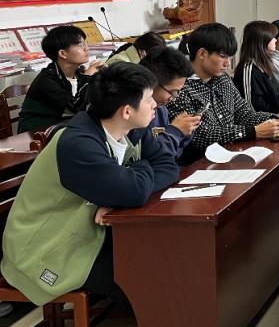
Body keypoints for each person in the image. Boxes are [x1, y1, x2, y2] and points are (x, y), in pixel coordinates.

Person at [1, 64, 178, 308]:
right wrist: (132, 180)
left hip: (89, 235)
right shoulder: (77, 143)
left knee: (170, 258)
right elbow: (135, 191)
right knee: (150, 278)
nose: (155, 104)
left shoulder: (134, 130)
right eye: (149, 99)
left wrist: (122, 193)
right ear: (127, 111)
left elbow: (168, 166)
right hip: (49, 248)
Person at [168, 23, 279, 164]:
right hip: (199, 163)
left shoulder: (223, 79)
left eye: (229, 58)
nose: (227, 63)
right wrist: (252, 132)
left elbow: (244, 113)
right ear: (202, 54)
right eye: (223, 57)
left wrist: (275, 121)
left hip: (231, 154)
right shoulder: (180, 87)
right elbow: (199, 136)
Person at [18, 25, 104, 133]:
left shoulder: (78, 74)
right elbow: (77, 108)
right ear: (63, 54)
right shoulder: (47, 81)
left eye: (85, 43)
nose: (86, 48)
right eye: (80, 45)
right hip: (37, 133)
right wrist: (88, 77)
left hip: (65, 127)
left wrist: (103, 76)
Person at [136, 46, 202, 161]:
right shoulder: (135, 113)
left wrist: (184, 133)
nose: (174, 98)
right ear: (152, 83)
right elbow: (149, 157)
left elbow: (172, 156)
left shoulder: (161, 109)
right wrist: (176, 131)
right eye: (172, 92)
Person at [233, 21, 279, 115]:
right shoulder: (248, 69)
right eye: (273, 37)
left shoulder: (262, 65)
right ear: (262, 40)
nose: (275, 40)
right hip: (265, 122)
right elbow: (252, 109)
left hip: (277, 118)